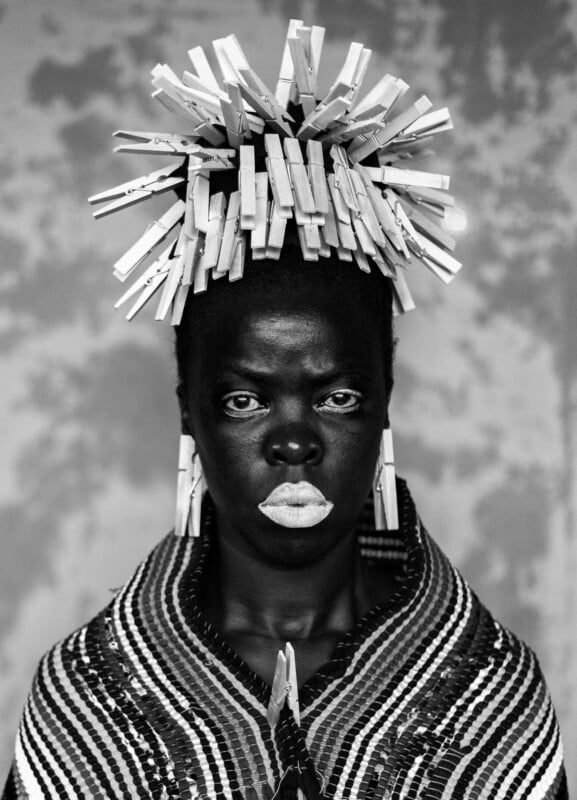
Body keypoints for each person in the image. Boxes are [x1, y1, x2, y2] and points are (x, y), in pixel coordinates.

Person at [2, 22, 568, 800]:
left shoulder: (491, 697)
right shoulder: (85, 703)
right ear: (188, 415)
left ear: (384, 405)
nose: (294, 441)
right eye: (244, 399)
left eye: (336, 397)